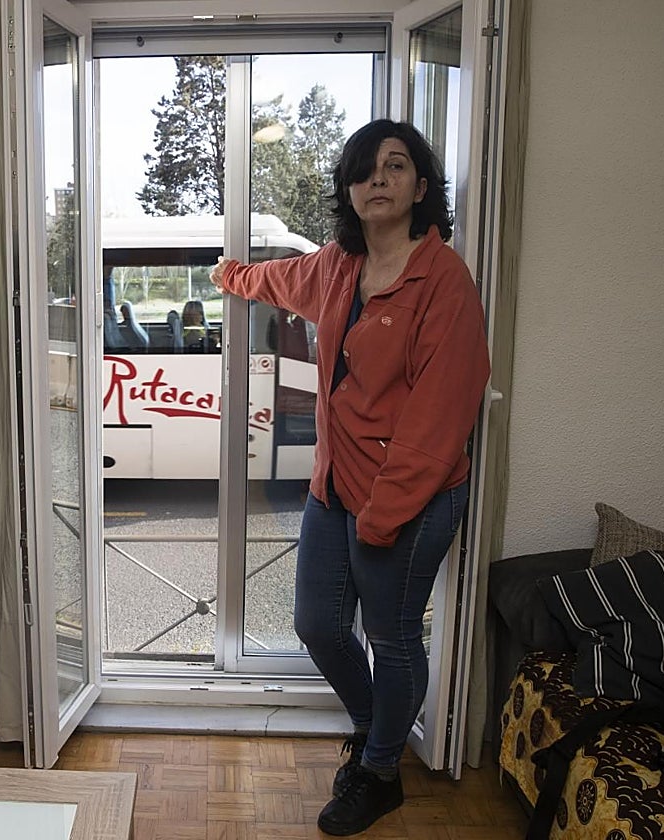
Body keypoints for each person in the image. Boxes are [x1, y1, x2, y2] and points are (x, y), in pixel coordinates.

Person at [210, 119, 491, 836]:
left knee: (392, 635)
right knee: (318, 625)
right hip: (335, 486)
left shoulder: (443, 281)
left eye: (395, 167)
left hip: (413, 495)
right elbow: (279, 279)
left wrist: (381, 516)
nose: (377, 179)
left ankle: (379, 773)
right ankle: (375, 737)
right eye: (364, 169)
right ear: (349, 187)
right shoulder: (339, 264)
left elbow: (439, 420)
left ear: (421, 187)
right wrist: (230, 276)